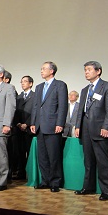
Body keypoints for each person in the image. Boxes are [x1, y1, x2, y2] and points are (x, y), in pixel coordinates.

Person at [74, 61, 108, 201]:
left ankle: (106, 191)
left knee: (103, 161)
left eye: (89, 70)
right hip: (85, 129)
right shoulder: (85, 89)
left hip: (100, 129)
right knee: (88, 160)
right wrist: (78, 126)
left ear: (98, 71)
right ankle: (88, 187)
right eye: (85, 70)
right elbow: (81, 110)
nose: (86, 72)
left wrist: (106, 127)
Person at [30, 61, 68, 192]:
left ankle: (55, 182)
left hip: (53, 126)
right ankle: (45, 180)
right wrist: (34, 123)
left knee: (54, 156)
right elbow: (35, 106)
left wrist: (60, 123)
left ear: (51, 71)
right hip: (40, 126)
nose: (41, 71)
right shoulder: (39, 87)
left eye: (44, 69)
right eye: (41, 69)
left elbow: (63, 106)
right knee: (43, 157)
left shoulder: (60, 85)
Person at [13, 75, 35, 180]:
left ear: (30, 83)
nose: (23, 83)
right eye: (21, 82)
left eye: (25, 81)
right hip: (18, 129)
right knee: (19, 152)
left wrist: (27, 124)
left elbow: (35, 112)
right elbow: (14, 112)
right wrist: (18, 123)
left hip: (29, 129)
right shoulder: (19, 97)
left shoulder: (35, 96)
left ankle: (31, 174)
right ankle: (21, 173)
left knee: (30, 152)